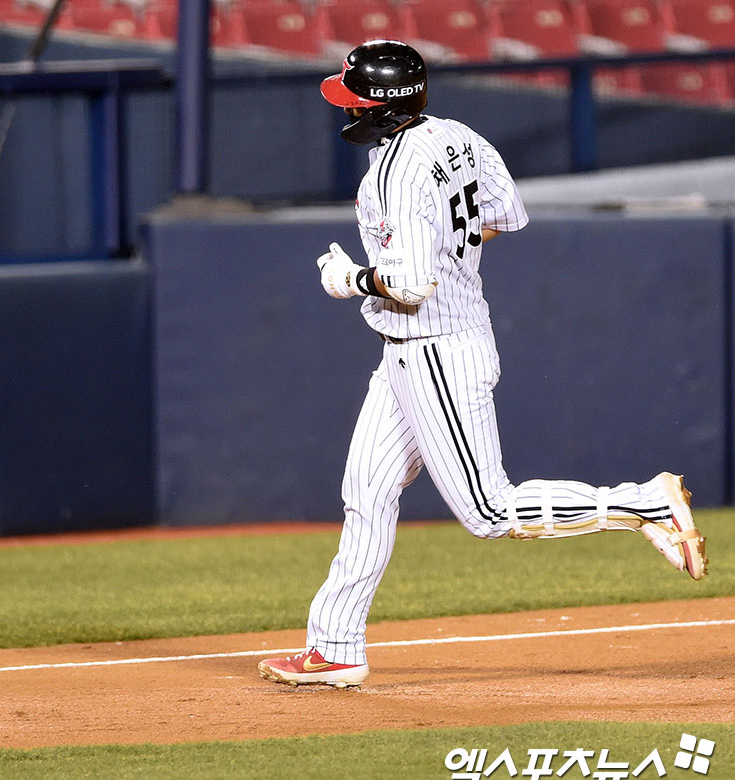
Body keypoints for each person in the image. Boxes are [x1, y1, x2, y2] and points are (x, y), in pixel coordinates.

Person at [257, 40, 708, 689]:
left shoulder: (392, 175)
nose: (346, 106)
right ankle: (334, 646)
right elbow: (504, 214)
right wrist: (435, 247)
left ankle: (644, 503)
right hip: (415, 353)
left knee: (489, 511)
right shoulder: (457, 137)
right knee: (368, 493)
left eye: (356, 97)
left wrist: (348, 278)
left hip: (437, 346)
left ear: (382, 110)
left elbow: (410, 286)